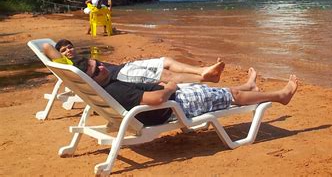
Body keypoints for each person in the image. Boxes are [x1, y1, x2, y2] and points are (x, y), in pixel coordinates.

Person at [77, 56, 298, 125]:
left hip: (171, 103)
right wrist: (170, 87)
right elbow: (155, 99)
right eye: (97, 70)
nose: (102, 67)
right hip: (174, 106)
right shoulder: (116, 90)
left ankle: (249, 86)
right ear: (91, 79)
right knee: (233, 97)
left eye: (98, 62)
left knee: (217, 92)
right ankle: (281, 96)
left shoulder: (104, 87)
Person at [43, 39, 225, 85]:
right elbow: (45, 46)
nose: (69, 50)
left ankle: (203, 70)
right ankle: (206, 78)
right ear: (60, 56)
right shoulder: (68, 65)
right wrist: (61, 58)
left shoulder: (80, 61)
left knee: (166, 60)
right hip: (120, 76)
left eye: (70, 46)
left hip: (124, 68)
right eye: (64, 50)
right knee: (165, 74)